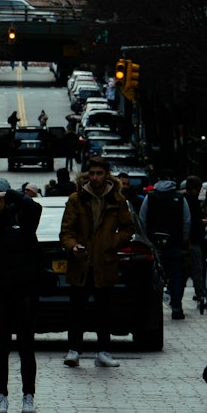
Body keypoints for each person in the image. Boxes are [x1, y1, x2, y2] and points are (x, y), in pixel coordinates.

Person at [59, 157, 134, 367]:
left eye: (99, 174)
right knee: (77, 310)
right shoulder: (76, 199)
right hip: (81, 263)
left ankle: (103, 351)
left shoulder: (117, 200)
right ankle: (74, 350)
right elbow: (66, 231)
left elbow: (128, 228)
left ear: (107, 175)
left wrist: (112, 242)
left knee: (104, 310)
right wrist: (73, 246)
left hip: (105, 262)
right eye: (91, 173)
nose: (95, 178)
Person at [0, 177, 43, 413]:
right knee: (2, 346)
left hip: (25, 290)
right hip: (0, 291)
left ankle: (28, 395)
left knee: (26, 345)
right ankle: (1, 395)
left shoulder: (22, 217)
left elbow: (35, 208)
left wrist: (10, 195)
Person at [139, 173, 191, 319]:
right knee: (175, 277)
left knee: (153, 278)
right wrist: (181, 240)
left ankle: (152, 309)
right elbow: (186, 221)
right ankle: (176, 308)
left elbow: (142, 219)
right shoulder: (181, 199)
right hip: (174, 244)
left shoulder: (149, 197)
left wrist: (147, 241)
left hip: (154, 245)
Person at [181, 175, 206, 310]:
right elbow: (193, 222)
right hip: (193, 241)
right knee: (196, 270)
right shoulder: (191, 202)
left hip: (187, 241)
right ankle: (200, 295)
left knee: (185, 271)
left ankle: (177, 298)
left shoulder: (184, 201)